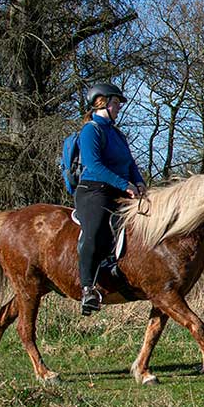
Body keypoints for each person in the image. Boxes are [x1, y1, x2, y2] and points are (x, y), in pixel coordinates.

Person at [75, 82, 146, 315]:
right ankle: (88, 288)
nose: (118, 108)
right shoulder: (91, 130)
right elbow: (93, 165)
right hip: (94, 190)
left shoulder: (117, 134)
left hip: (119, 190)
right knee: (95, 230)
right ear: (101, 103)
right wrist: (123, 184)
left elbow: (130, 163)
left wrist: (139, 182)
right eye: (115, 103)